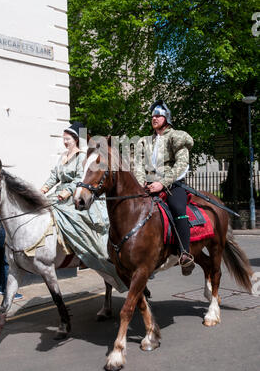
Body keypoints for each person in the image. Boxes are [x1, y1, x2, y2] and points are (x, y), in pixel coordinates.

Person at [41, 121, 127, 292]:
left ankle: (83, 251)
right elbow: (54, 176)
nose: (65, 142)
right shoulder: (62, 157)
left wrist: (68, 191)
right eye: (64, 139)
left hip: (75, 195)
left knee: (75, 217)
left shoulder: (81, 156)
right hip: (59, 194)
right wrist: (43, 189)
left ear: (75, 140)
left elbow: (83, 179)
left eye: (68, 139)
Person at [134, 100, 195, 275]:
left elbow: (182, 165)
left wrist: (162, 183)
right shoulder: (145, 142)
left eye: (158, 115)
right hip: (148, 185)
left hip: (171, 184)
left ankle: (185, 253)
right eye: (152, 115)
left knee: (177, 207)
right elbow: (138, 165)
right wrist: (141, 183)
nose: (154, 118)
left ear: (166, 117)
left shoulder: (176, 137)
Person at [0, 220, 23, 299]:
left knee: (3, 262)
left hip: (1, 231)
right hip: (8, 231)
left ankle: (2, 288)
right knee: (8, 263)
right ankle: (9, 292)